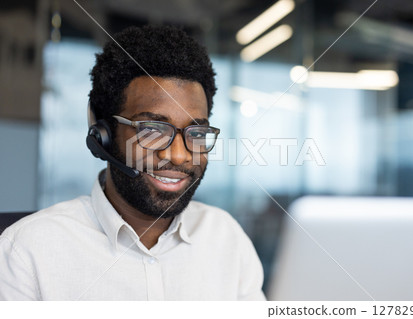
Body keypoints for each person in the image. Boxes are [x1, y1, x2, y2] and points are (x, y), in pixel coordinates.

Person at [0, 25, 265, 300]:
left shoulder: (226, 237)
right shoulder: (26, 252)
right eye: (151, 130)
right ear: (103, 135)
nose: (179, 155)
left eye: (196, 133)